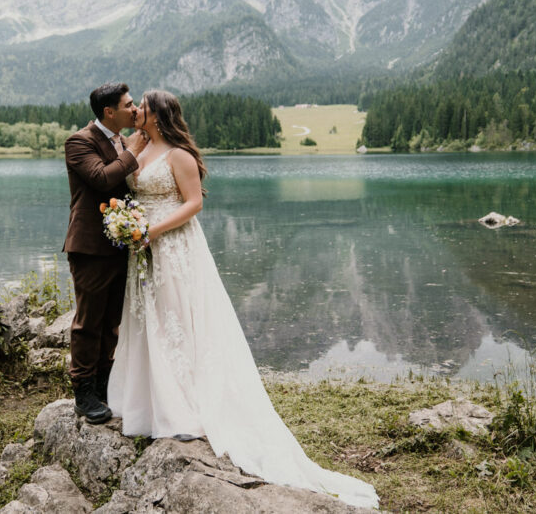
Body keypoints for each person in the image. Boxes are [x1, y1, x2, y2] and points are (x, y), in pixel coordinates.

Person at [107, 89, 379, 509]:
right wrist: (130, 225)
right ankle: (148, 402)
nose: (136, 111)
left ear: (158, 115)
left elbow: (194, 203)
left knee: (177, 318)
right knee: (150, 318)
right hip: (144, 251)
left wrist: (152, 231)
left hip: (174, 246)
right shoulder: (137, 147)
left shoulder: (178, 154)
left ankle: (184, 406)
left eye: (142, 106)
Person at [63, 82, 147, 424]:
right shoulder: (79, 142)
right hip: (89, 247)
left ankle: (103, 386)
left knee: (112, 320)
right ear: (109, 112)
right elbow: (101, 178)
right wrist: (135, 150)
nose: (135, 109)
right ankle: (83, 393)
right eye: (129, 105)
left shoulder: (124, 141)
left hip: (119, 244)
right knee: (89, 322)